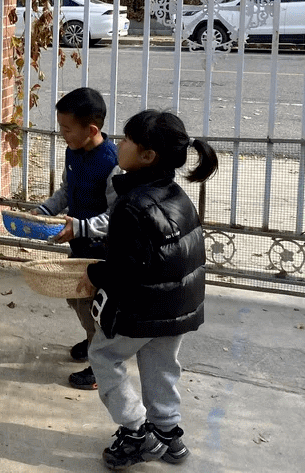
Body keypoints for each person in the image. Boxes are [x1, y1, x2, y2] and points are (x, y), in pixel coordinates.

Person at [83, 110, 217, 470]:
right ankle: (169, 432)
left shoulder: (131, 205)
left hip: (142, 308)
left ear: (147, 155)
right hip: (179, 306)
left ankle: (137, 430)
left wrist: (94, 275)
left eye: (126, 140)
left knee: (105, 356)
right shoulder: (176, 194)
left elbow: (125, 270)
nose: (118, 144)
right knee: (161, 364)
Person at [34, 87, 118, 390]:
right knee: (76, 298)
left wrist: (81, 227)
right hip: (79, 247)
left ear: (91, 129)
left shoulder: (113, 164)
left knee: (93, 305)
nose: (62, 134)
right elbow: (68, 192)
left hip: (103, 253)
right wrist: (45, 210)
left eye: (66, 129)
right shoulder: (74, 150)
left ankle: (101, 365)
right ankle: (93, 338)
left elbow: (117, 218)